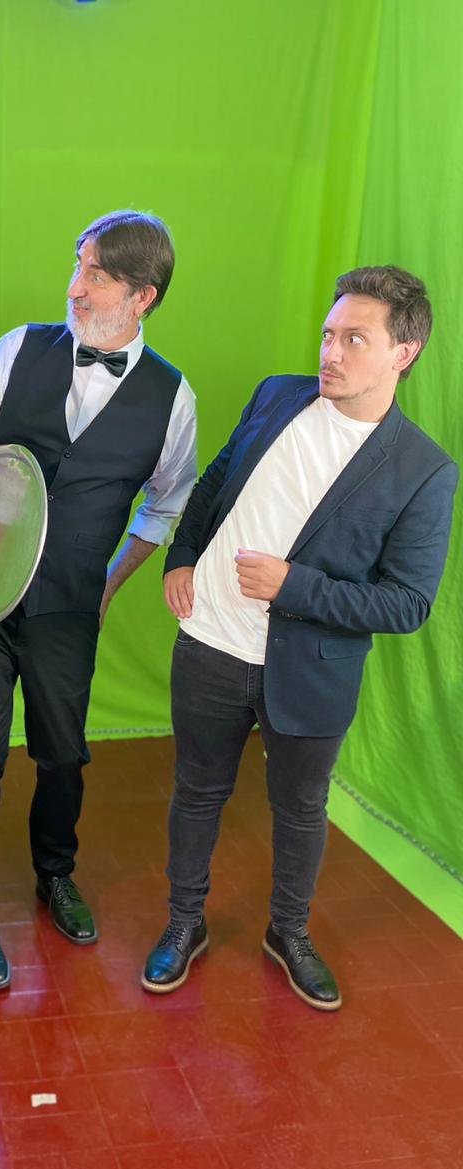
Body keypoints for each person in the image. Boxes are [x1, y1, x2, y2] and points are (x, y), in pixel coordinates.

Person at [142, 265, 457, 1011]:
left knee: (301, 808)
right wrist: (182, 557)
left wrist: (294, 587)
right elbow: (215, 483)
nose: (331, 352)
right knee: (197, 791)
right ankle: (183, 923)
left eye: (355, 339)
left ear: (403, 353)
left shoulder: (424, 471)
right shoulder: (277, 395)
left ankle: (289, 932)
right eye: (328, 333)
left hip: (312, 668)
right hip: (211, 643)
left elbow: (408, 603)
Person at [0, 211, 197, 990]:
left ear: (142, 296)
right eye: (77, 266)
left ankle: (55, 873)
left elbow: (167, 506)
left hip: (73, 608)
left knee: (62, 753)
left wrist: (108, 583)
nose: (75, 288)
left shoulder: (172, 398)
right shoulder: (18, 349)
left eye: (97, 276)